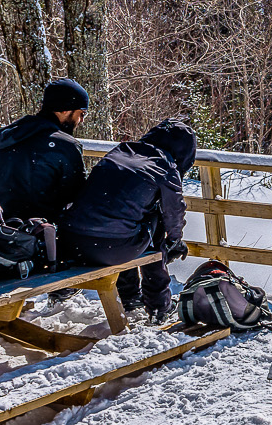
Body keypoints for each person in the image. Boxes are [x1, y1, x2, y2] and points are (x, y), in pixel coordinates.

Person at [63, 118, 196, 320]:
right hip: (112, 248)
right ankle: (159, 305)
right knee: (156, 227)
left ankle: (130, 296)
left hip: (73, 241)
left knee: (127, 220)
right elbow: (174, 210)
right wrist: (174, 240)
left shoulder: (121, 151)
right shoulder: (165, 166)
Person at [0, 78, 90, 224]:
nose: (81, 120)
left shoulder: (6, 139)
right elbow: (77, 197)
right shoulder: (65, 146)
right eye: (81, 113)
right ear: (65, 109)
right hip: (38, 233)